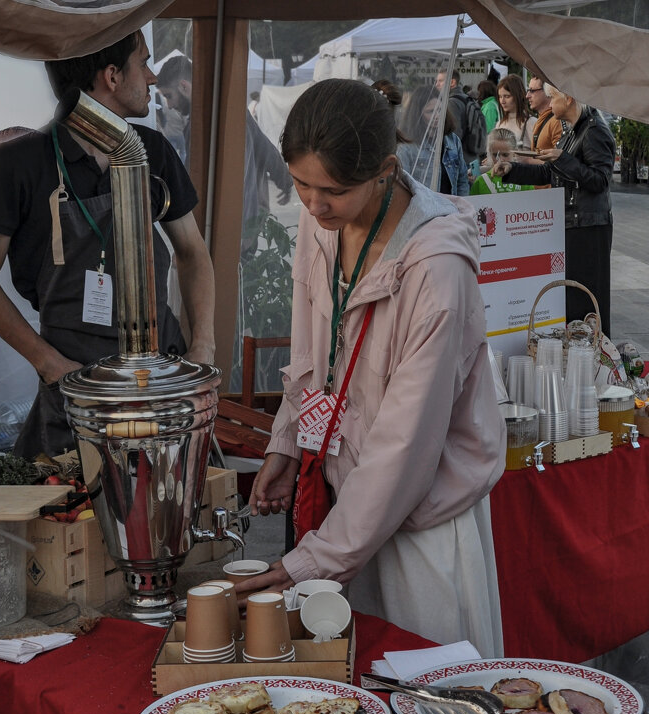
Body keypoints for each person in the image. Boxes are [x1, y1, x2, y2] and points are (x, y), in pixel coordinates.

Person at [237, 78, 505, 656]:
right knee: (352, 701)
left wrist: (314, 559)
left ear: (385, 170)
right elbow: (314, 356)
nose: (312, 204)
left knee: (429, 698)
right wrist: (288, 444)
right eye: (300, 183)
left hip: (421, 527)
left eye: (331, 190)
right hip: (347, 509)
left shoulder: (436, 272)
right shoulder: (322, 222)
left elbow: (405, 448)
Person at [0, 32, 216, 460]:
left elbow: (192, 252)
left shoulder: (152, 150)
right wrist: (48, 365)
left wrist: (202, 347)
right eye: (144, 63)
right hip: (77, 387)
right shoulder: (18, 164)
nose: (153, 77)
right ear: (112, 76)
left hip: (163, 379)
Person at [494, 83, 615, 337]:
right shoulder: (574, 130)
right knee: (574, 299)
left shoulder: (593, 131)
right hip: (576, 223)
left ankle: (597, 355)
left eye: (552, 97)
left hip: (589, 228)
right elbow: (550, 171)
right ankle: (580, 352)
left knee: (587, 300)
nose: (549, 103)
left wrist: (563, 159)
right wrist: (513, 170)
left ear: (568, 98)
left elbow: (600, 180)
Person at [156, 55, 292, 223]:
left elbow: (192, 184)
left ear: (184, 86)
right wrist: (285, 181)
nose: (168, 105)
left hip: (227, 222)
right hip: (247, 218)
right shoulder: (231, 106)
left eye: (169, 96)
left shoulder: (201, 124)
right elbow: (264, 147)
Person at [400, 84, 470, 197]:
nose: (437, 116)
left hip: (452, 209)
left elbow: (462, 180)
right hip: (424, 210)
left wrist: (463, 206)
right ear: (418, 114)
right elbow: (402, 187)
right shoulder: (407, 146)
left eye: (440, 110)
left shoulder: (453, 140)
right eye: (430, 111)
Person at [437, 69, 487, 166]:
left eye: (440, 81)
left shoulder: (452, 102)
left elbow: (454, 135)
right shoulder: (468, 99)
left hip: (461, 160)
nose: (437, 84)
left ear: (452, 82)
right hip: (473, 157)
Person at [471, 128, 534, 194]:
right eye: (495, 155)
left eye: (505, 155)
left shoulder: (524, 180)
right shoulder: (481, 181)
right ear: (489, 153)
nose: (500, 160)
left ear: (514, 154)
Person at [495, 74, 536, 148]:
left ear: (518, 95)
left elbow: (539, 154)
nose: (502, 101)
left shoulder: (531, 122)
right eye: (500, 97)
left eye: (507, 96)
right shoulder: (500, 124)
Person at [527, 75, 564, 152]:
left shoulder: (556, 121)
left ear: (547, 92)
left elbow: (559, 161)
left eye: (532, 91)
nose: (527, 96)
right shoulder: (542, 118)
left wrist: (527, 160)